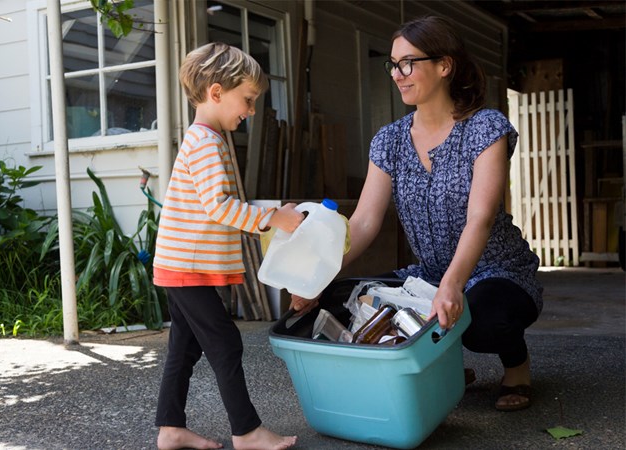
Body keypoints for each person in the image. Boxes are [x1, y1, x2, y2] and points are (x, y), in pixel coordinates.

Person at [291, 16, 543, 412]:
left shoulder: (485, 128)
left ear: (445, 66)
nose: (397, 74)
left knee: (481, 320)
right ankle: (442, 367)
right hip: (428, 273)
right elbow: (365, 221)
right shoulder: (389, 140)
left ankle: (516, 365)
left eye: (407, 63)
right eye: (393, 64)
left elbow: (480, 216)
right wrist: (316, 277)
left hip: (497, 271)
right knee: (344, 297)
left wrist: (453, 284)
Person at [152, 42, 302, 450]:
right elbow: (218, 206)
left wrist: (270, 218)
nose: (251, 111)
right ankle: (248, 431)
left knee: (183, 348)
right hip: (186, 268)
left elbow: (216, 206)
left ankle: (170, 428)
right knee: (224, 343)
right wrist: (272, 218)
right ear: (217, 92)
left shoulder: (209, 138)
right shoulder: (205, 143)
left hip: (180, 265)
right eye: (248, 100)